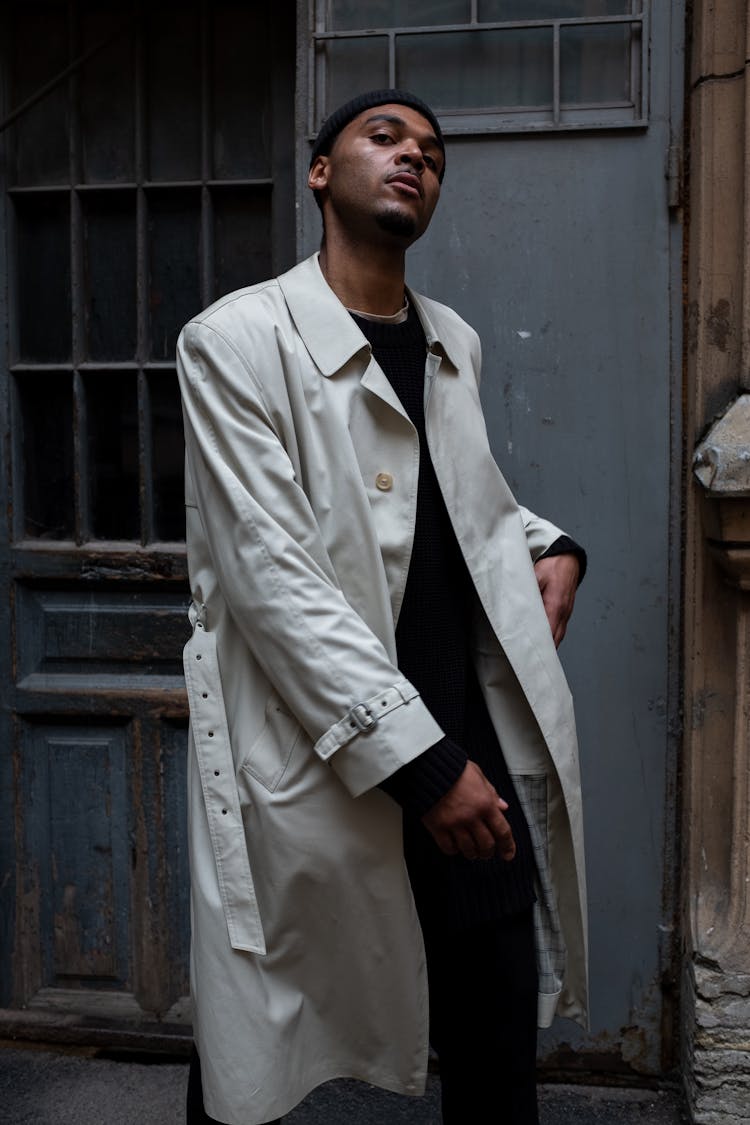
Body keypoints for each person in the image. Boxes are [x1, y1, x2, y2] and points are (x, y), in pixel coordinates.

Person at [177, 89, 588, 1125]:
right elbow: (273, 580)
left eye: (434, 154)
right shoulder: (235, 341)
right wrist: (423, 765)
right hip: (325, 749)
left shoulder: (452, 340)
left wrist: (554, 544)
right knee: (257, 1040)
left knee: (495, 1034)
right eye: (385, 137)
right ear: (321, 172)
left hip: (459, 725)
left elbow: (451, 494)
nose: (415, 158)